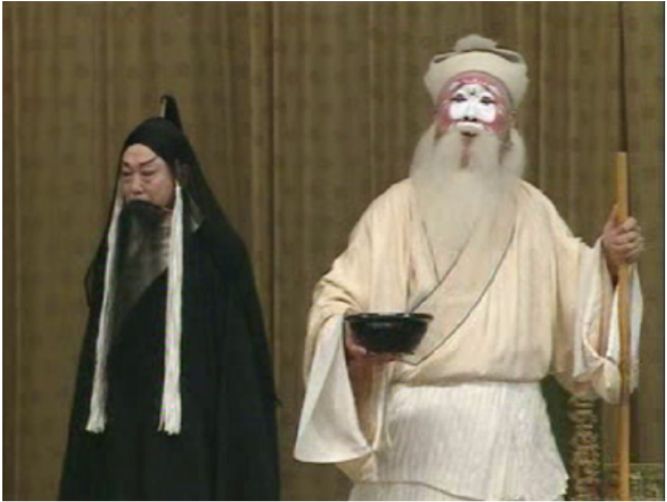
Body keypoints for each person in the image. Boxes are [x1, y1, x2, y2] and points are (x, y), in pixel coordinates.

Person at [293, 34, 644, 501]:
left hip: (512, 432)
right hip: (418, 434)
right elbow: (337, 299)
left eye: (486, 102)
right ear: (435, 119)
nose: (471, 115)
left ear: (510, 122)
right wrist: (347, 337)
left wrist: (609, 262)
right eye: (459, 100)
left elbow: (578, 294)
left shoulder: (533, 211)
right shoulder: (395, 209)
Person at [59, 96, 279, 500]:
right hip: (123, 434)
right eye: (126, 175)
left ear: (180, 174)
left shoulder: (215, 253)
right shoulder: (115, 254)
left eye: (148, 173)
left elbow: (239, 369)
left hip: (193, 432)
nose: (135, 187)